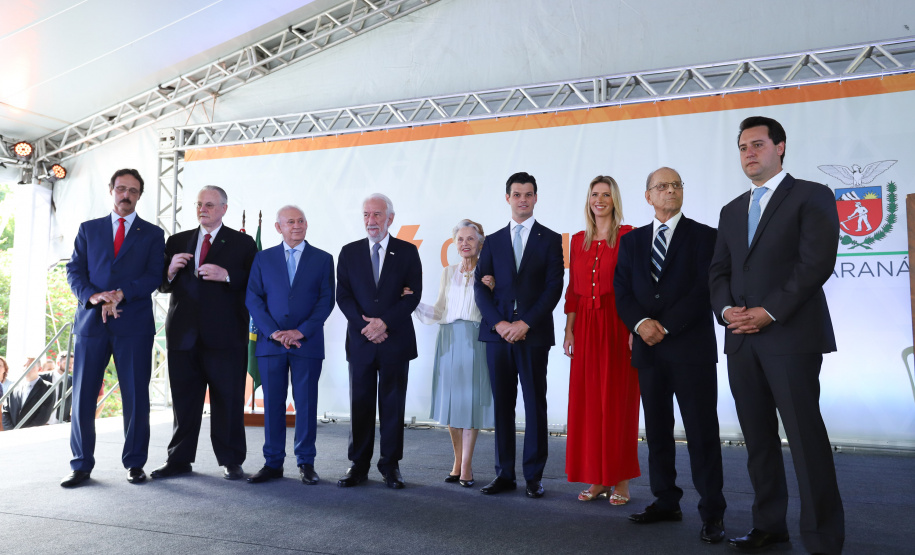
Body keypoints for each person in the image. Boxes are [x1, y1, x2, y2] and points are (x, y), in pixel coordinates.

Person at [709, 116, 844, 554]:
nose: (749, 153)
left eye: (758, 144)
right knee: (758, 439)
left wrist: (769, 312)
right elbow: (719, 272)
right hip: (741, 339)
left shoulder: (811, 195)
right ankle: (770, 524)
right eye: (743, 147)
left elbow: (815, 264)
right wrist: (728, 309)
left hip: (790, 337)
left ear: (780, 147)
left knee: (805, 440)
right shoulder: (731, 210)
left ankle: (823, 538)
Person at [614, 168, 726, 543]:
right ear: (648, 196)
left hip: (690, 349)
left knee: (701, 432)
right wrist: (642, 323)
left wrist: (665, 326)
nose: (670, 191)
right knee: (658, 431)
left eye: (676, 185)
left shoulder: (705, 236)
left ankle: (712, 512)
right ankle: (666, 501)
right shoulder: (631, 243)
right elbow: (623, 293)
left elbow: (704, 291)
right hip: (648, 351)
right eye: (662, 187)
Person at [63, 168, 165, 487]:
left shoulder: (151, 234)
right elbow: (74, 270)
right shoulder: (88, 229)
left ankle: (135, 463)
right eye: (121, 189)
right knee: (82, 396)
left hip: (133, 324)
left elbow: (154, 276)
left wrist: (121, 293)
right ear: (111, 190)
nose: (126, 195)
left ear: (139, 196)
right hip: (92, 323)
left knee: (135, 395)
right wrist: (94, 296)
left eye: (133, 191)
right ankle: (81, 464)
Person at [151, 185, 257, 481]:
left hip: (226, 337)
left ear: (224, 208)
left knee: (228, 400)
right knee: (184, 402)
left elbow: (255, 282)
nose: (203, 209)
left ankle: (231, 459)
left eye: (210, 205)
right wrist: (170, 270)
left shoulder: (243, 243)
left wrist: (228, 276)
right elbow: (162, 284)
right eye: (199, 204)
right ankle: (179, 460)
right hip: (183, 337)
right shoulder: (177, 241)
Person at [473, 172, 564, 499]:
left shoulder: (551, 239)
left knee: (534, 403)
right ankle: (504, 474)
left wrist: (524, 323)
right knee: (502, 406)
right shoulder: (493, 241)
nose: (522, 199)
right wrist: (499, 324)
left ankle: (533, 476)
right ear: (508, 198)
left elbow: (554, 287)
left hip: (533, 334)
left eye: (528, 194)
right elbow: (480, 288)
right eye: (516, 194)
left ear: (536, 198)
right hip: (497, 336)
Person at [561, 175, 639, 506]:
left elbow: (638, 286)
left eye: (606, 194)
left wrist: (636, 327)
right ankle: (596, 478)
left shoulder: (629, 236)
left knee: (617, 403)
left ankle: (619, 479)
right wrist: (569, 330)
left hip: (618, 325)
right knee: (589, 404)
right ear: (588, 199)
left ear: (614, 200)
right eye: (595, 194)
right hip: (587, 329)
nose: (600, 200)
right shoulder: (578, 240)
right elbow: (575, 291)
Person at [335, 193, 422, 489]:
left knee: (392, 406)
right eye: (366, 215)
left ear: (390, 218)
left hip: (394, 341)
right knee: (360, 405)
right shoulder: (348, 252)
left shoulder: (408, 252)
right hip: (361, 342)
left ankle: (390, 465)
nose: (371, 221)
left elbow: (414, 296)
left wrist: (384, 323)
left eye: (376, 215)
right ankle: (358, 465)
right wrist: (366, 326)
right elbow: (343, 297)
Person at [245, 205, 335, 485]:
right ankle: (273, 463)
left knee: (306, 403)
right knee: (272, 404)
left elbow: (325, 301)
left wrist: (301, 331)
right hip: (271, 344)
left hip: (306, 344)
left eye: (301, 221)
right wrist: (273, 332)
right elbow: (253, 299)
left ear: (307, 224)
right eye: (290, 222)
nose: (296, 225)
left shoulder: (322, 259)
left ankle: (306, 462)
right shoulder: (262, 258)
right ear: (278, 227)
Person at [413, 219, 494, 487]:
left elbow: (495, 309)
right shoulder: (447, 272)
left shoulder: (489, 272)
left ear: (480, 243)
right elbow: (439, 310)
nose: (465, 243)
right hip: (447, 339)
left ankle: (468, 466)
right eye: (460, 239)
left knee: (470, 403)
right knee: (451, 402)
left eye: (470, 239)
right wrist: (412, 302)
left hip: (475, 340)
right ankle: (457, 462)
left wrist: (493, 288)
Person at [1, 358, 54, 430]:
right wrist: (10, 431)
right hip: (12, 435)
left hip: (32, 435)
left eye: (31, 366)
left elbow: (43, 416)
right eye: (24, 365)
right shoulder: (13, 387)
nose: (26, 368)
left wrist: (24, 433)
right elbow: (5, 411)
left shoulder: (47, 388)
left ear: (39, 369)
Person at [41, 351, 74, 424]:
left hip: (61, 423)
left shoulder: (73, 381)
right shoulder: (42, 377)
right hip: (42, 423)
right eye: (67, 363)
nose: (70, 366)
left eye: (72, 363)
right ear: (58, 363)